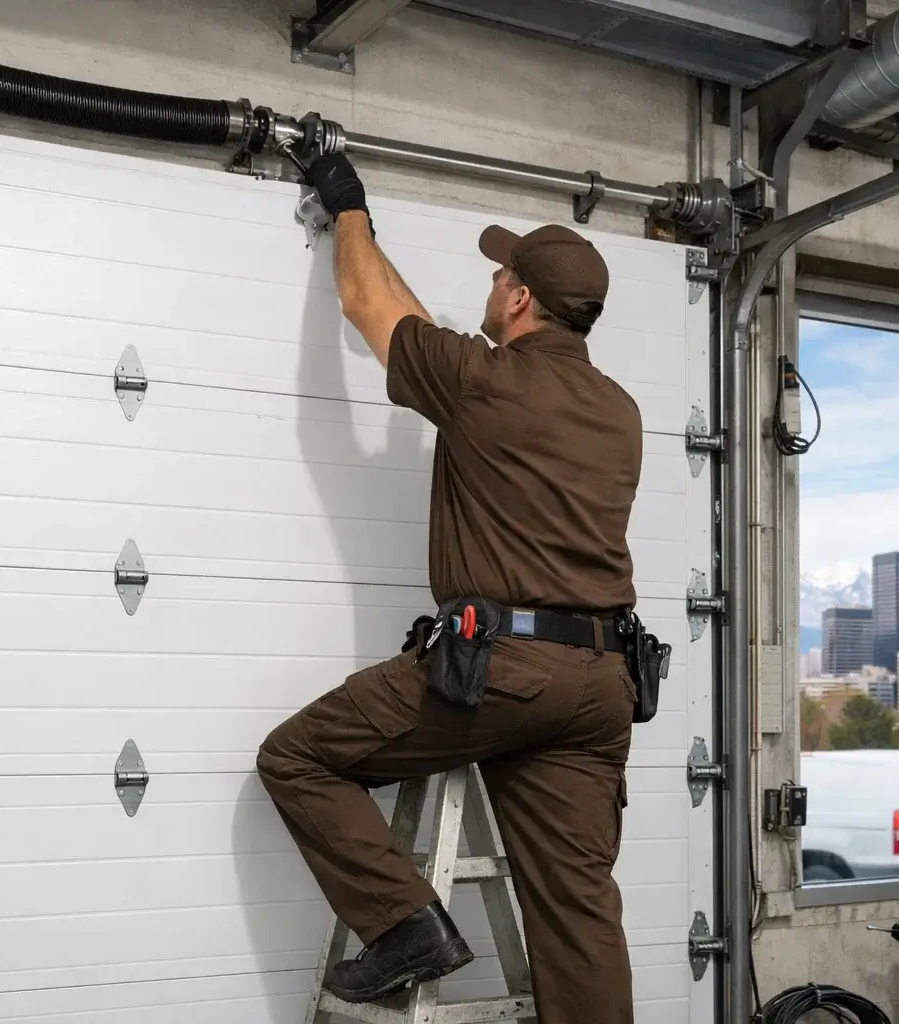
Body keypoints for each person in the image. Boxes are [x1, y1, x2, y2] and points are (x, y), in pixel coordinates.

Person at [256, 150, 644, 1023]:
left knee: (296, 756)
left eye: (501, 268)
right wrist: (371, 236)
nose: (495, 277)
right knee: (581, 919)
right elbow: (413, 321)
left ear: (515, 299)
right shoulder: (616, 409)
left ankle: (404, 927)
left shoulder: (481, 382)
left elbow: (370, 306)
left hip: (502, 671)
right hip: (600, 687)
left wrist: (346, 204)